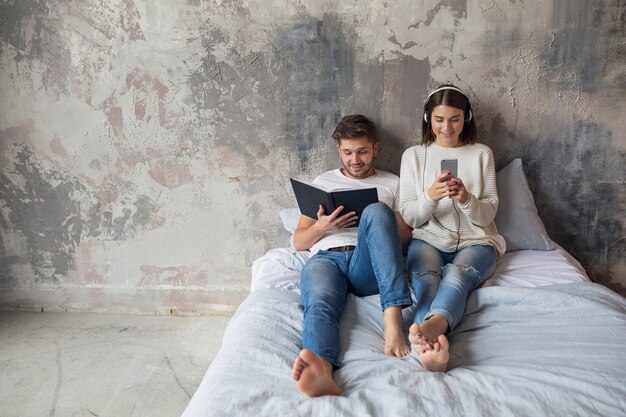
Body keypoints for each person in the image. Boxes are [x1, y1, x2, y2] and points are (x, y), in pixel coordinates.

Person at [291, 114, 413, 397]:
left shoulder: (392, 183)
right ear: (339, 151)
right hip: (326, 259)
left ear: (375, 149)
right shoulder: (323, 182)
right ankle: (321, 367)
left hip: (367, 264)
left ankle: (392, 318)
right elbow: (299, 242)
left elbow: (406, 237)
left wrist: (373, 226)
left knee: (377, 210)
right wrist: (323, 226)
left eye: (362, 151)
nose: (355, 159)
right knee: (319, 302)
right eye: (347, 152)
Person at [398, 85, 506, 372]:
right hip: (428, 240)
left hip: (477, 242)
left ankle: (428, 331)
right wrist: (430, 197)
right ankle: (431, 344)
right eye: (439, 119)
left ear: (467, 118)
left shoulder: (482, 154)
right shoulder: (414, 156)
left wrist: (466, 198)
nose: (447, 127)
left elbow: (488, 215)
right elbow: (409, 216)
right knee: (426, 283)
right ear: (427, 119)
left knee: (457, 278)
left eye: (455, 119)